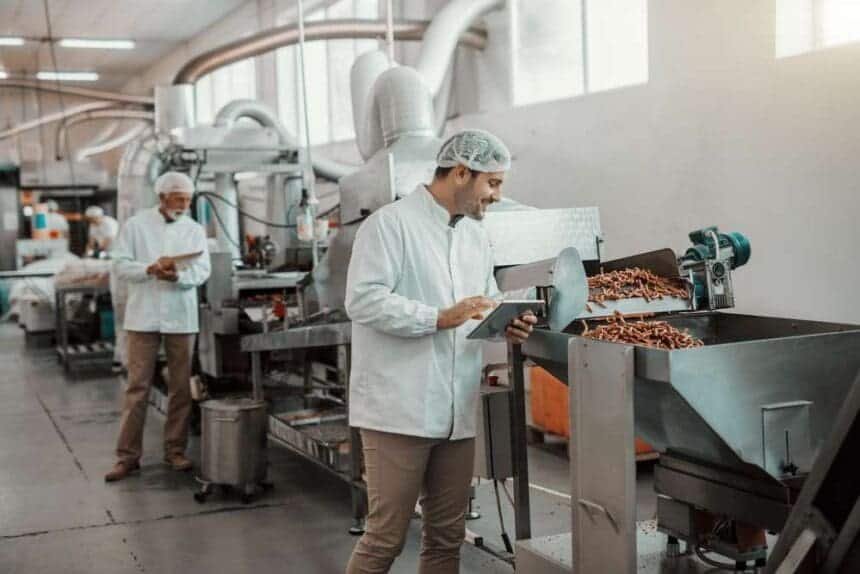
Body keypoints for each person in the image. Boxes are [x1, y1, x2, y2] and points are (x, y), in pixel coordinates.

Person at [345, 129, 537, 574]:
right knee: (385, 538)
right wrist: (438, 317)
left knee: (447, 538)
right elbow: (363, 300)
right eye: (493, 183)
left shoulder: (474, 236)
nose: (497, 195)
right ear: (461, 173)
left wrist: (505, 323)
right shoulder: (390, 225)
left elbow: (482, 303)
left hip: (455, 412)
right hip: (398, 410)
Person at [105, 171, 211, 482]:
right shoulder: (136, 225)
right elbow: (120, 265)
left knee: (181, 387)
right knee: (137, 387)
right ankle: (127, 457)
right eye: (179, 199)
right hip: (144, 316)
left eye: (188, 200)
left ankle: (175, 451)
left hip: (180, 315)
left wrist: (178, 276)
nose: (184, 205)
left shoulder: (194, 229)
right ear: (162, 197)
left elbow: (202, 270)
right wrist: (149, 270)